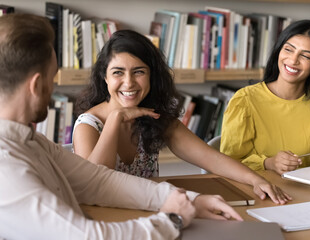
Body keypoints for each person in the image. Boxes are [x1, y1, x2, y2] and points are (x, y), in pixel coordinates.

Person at [0, 13, 243, 240]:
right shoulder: (6, 168)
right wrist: (173, 220)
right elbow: (90, 236)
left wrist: (189, 200)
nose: (53, 89)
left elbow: (97, 181)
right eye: (53, 78)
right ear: (36, 85)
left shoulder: (32, 140)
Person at [73, 29, 291, 204]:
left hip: (148, 213)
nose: (128, 82)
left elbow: (210, 158)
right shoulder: (88, 126)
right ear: (104, 77)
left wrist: (255, 179)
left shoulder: (153, 116)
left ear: (152, 76)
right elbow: (93, 186)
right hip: (104, 221)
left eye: (139, 71)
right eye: (118, 72)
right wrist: (115, 119)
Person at [221, 19, 310, 175]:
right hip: (262, 193)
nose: (293, 60)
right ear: (278, 51)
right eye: (288, 49)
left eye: (305, 56)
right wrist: (268, 163)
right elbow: (228, 163)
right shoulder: (245, 101)